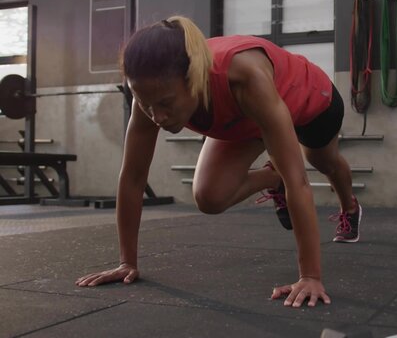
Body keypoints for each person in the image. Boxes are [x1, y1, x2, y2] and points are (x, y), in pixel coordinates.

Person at [75, 16, 362, 308]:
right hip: (249, 117)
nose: (157, 117)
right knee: (210, 196)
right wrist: (126, 262)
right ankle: (271, 178)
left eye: (166, 104)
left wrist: (310, 276)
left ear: (194, 80)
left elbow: (299, 182)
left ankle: (349, 206)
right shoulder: (151, 95)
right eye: (147, 105)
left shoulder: (244, 76)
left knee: (322, 161)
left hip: (311, 101)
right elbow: (133, 178)